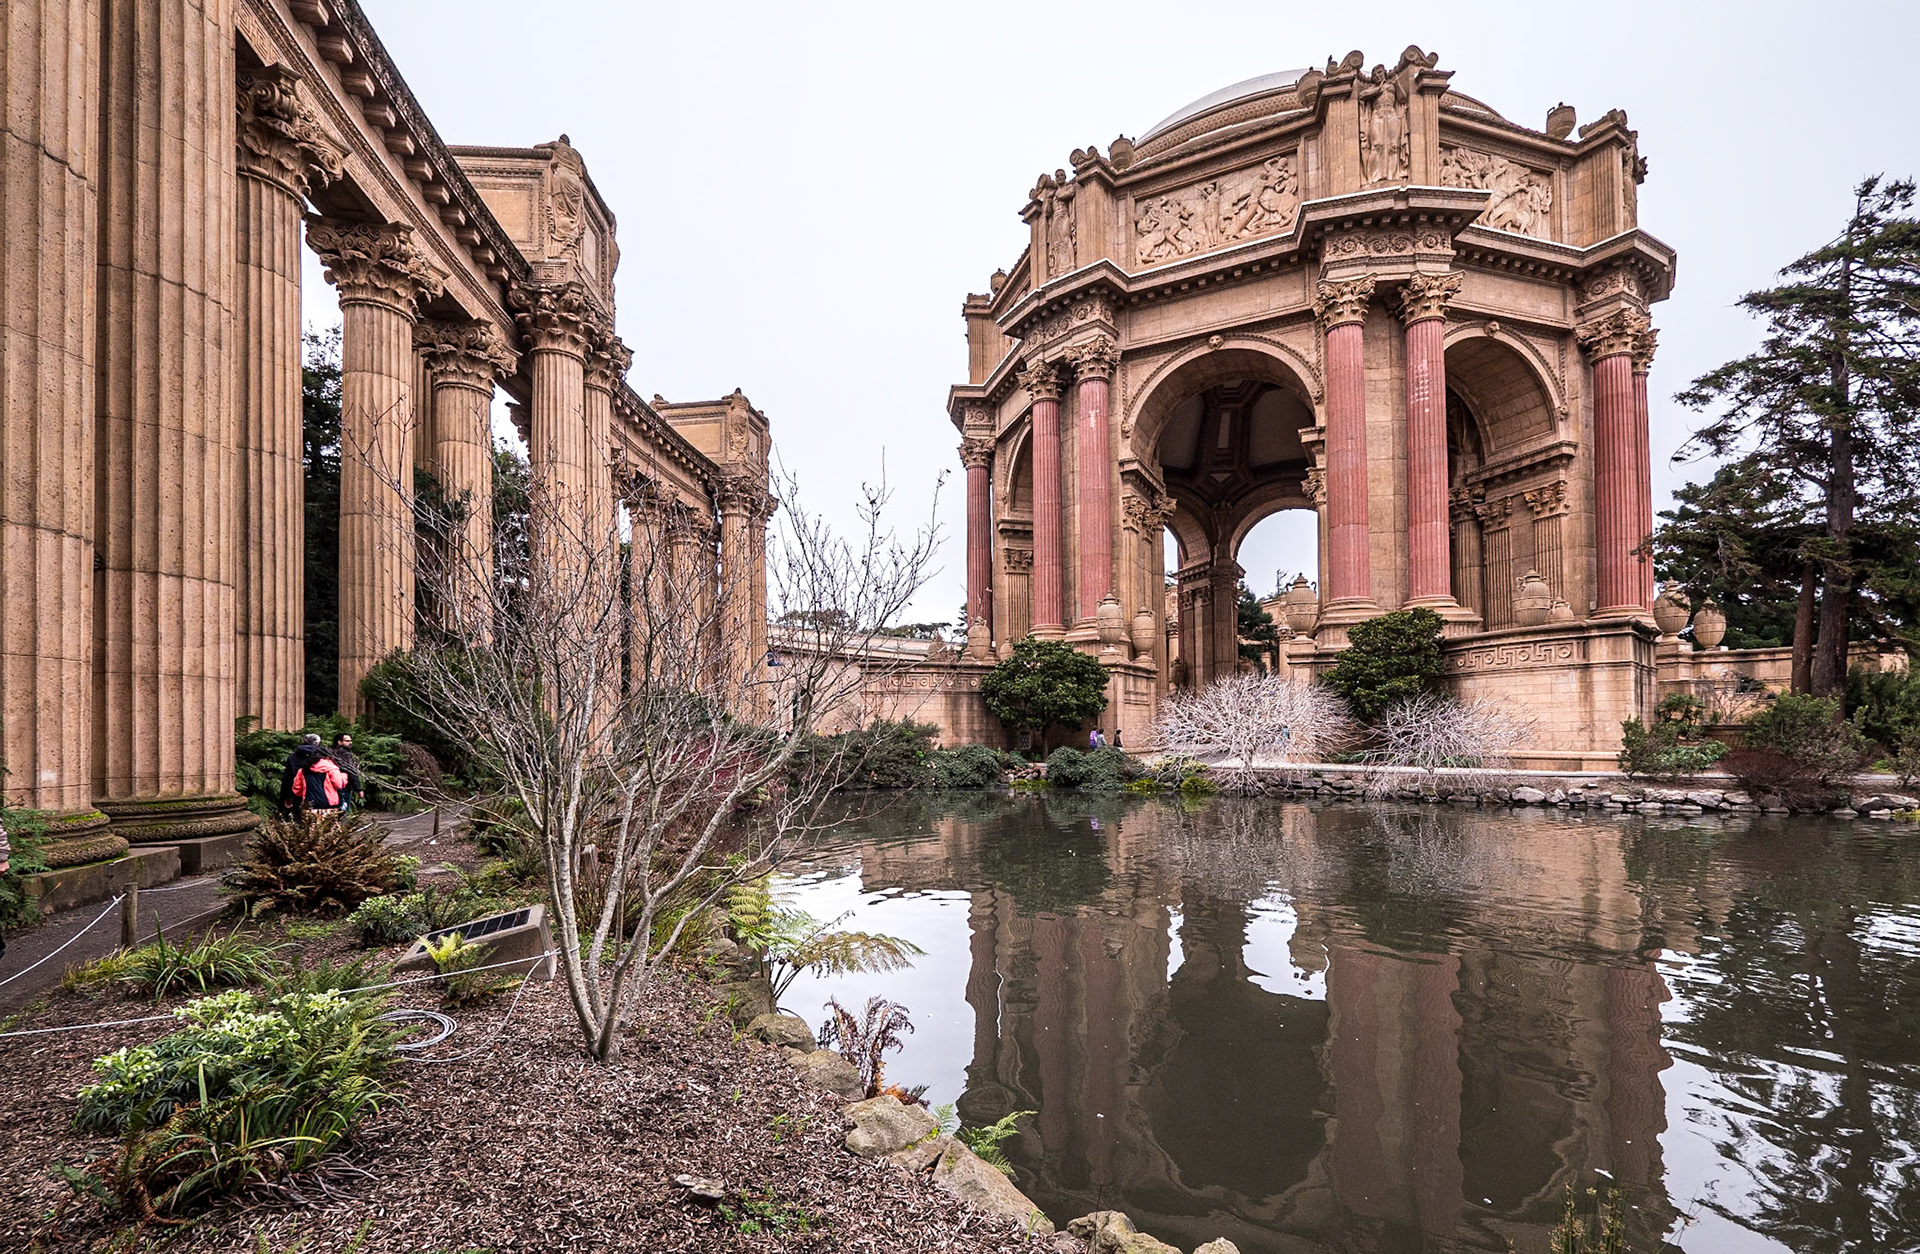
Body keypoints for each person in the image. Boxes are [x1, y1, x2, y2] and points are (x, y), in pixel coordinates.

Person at [330, 733, 365, 814]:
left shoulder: (331, 753)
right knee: (344, 808)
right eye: (347, 741)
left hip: (333, 784)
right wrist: (358, 788)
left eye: (350, 741)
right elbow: (351, 771)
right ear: (339, 742)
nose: (350, 743)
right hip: (344, 784)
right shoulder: (345, 754)